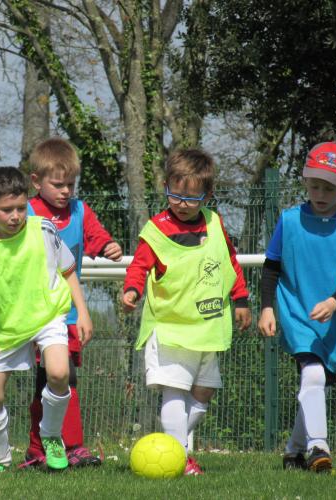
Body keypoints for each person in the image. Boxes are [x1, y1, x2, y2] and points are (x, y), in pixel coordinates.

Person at [122, 148, 251, 475]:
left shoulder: (215, 224)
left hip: (206, 328)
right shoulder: (156, 230)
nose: (180, 202)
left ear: (207, 195)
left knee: (204, 391)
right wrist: (132, 290)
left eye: (190, 197)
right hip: (170, 329)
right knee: (175, 391)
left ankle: (171, 442)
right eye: (174, 194)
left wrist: (242, 300)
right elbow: (139, 266)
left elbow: (230, 264)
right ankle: (179, 458)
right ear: (166, 185)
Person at [0, 166, 93, 472]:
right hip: (6, 327)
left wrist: (83, 311)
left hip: (48, 315)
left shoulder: (44, 229)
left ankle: (50, 436)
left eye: (21, 208)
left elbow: (68, 270)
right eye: (6, 210)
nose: (15, 216)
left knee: (60, 373)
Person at [258, 142, 336, 473]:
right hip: (297, 312)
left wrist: (334, 302)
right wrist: (267, 308)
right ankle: (318, 446)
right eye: (314, 185)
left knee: (315, 381)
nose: (320, 193)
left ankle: (293, 451)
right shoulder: (289, 221)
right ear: (304, 181)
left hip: (333, 317)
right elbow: (271, 267)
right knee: (313, 371)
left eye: (329, 187)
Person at [20, 137, 122, 468]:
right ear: (36, 181)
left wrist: (108, 246)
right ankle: (38, 448)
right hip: (34, 313)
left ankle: (73, 445)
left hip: (69, 313)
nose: (66, 191)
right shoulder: (27, 212)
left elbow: (96, 237)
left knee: (67, 378)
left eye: (70, 184)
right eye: (58, 184)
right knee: (44, 380)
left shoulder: (80, 211)